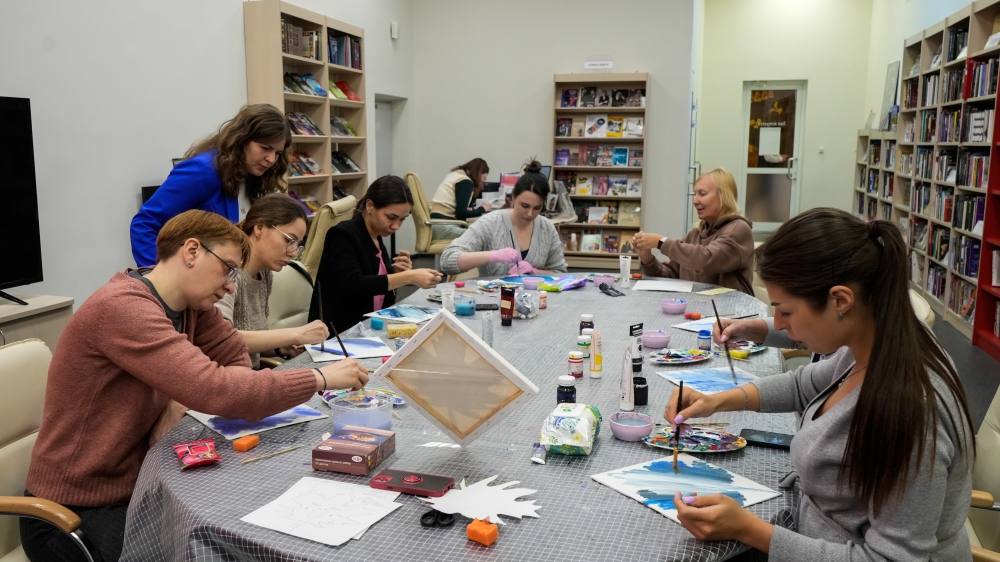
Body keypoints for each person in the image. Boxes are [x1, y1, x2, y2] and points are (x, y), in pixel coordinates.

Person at [21, 210, 369, 562]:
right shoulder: (123, 309)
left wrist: (186, 397)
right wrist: (319, 378)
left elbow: (234, 362)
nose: (231, 285)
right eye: (228, 269)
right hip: (74, 510)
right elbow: (217, 389)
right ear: (191, 252)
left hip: (136, 482)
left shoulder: (190, 306)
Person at [664, 208, 975, 561]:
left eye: (785, 311)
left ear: (840, 300)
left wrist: (749, 530)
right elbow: (802, 385)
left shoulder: (910, 412)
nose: (778, 324)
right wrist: (714, 401)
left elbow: (889, 558)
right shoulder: (875, 338)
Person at [130, 104, 292, 266]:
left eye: (277, 153)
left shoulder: (253, 176)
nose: (271, 159)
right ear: (242, 140)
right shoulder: (203, 170)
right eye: (265, 148)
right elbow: (144, 224)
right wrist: (157, 275)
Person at [311, 175, 442, 333]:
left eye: (402, 219)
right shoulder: (342, 235)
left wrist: (395, 274)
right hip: (339, 334)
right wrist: (408, 277)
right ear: (370, 206)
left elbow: (376, 291)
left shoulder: (375, 236)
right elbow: (353, 286)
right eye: (391, 217)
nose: (396, 226)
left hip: (367, 328)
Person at [215, 194, 329, 368]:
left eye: (297, 244)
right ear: (260, 228)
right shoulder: (229, 273)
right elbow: (222, 340)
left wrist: (281, 348)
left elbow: (252, 344)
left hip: (250, 375)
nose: (293, 252)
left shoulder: (265, 273)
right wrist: (296, 333)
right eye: (289, 240)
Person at [632, 168, 754, 294]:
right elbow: (670, 275)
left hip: (731, 306)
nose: (695, 201)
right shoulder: (696, 233)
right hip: (697, 305)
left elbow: (705, 261)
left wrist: (661, 242)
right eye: (695, 194)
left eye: (702, 194)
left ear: (723, 197)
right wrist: (648, 259)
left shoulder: (739, 229)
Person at [440, 160, 568, 277]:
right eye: (524, 206)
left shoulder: (547, 228)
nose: (530, 214)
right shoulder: (490, 223)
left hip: (536, 295)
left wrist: (535, 271)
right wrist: (492, 256)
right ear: (513, 197)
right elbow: (447, 261)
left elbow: (560, 273)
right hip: (494, 295)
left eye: (537, 208)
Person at [430, 157, 492, 239]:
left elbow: (461, 209)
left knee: (478, 234)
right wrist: (483, 208)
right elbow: (461, 214)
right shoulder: (465, 181)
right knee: (482, 238)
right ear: (478, 174)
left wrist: (468, 209)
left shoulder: (454, 175)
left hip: (437, 225)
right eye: (484, 178)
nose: (483, 181)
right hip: (444, 227)